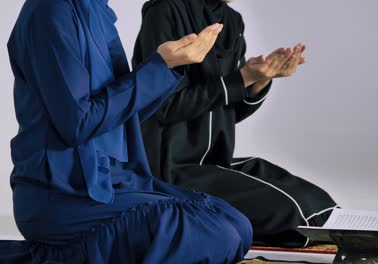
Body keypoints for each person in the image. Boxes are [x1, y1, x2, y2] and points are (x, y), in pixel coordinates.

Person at [1, 0, 252, 263]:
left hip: (116, 181)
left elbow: (120, 117)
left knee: (237, 224)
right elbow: (78, 123)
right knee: (213, 233)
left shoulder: (99, 11)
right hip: (64, 191)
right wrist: (160, 67)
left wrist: (170, 67)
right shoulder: (51, 10)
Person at [133, 0, 338, 248]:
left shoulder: (232, 20)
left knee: (320, 204)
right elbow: (163, 107)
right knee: (291, 214)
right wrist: (241, 79)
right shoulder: (165, 9)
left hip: (216, 163)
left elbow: (228, 113)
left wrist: (258, 81)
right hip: (168, 169)